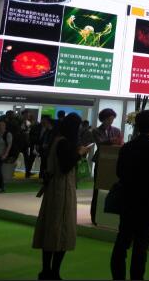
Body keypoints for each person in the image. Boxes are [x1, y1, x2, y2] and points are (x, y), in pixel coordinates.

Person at [111, 110, 149, 280]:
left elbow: (119, 172)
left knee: (122, 244)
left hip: (128, 202)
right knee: (141, 248)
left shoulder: (127, 147)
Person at [33, 113, 89, 280]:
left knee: (50, 229)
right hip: (62, 190)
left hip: (53, 189)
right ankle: (54, 272)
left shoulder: (56, 140)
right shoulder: (65, 143)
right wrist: (80, 153)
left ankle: (46, 271)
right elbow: (65, 166)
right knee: (62, 230)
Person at [91, 108, 123, 225]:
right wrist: (111, 141)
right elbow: (100, 143)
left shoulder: (116, 130)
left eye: (112, 119)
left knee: (111, 188)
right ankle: (94, 216)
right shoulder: (96, 131)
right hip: (100, 161)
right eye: (109, 119)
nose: (111, 121)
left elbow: (120, 144)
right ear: (103, 119)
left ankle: (107, 218)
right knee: (97, 188)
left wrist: (112, 141)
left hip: (113, 162)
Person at [0, 120, 12, 193]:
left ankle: (1, 186)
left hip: (1, 156)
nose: (1, 126)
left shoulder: (7, 134)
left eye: (2, 125)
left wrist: (5, 154)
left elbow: (9, 145)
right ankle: (1, 186)